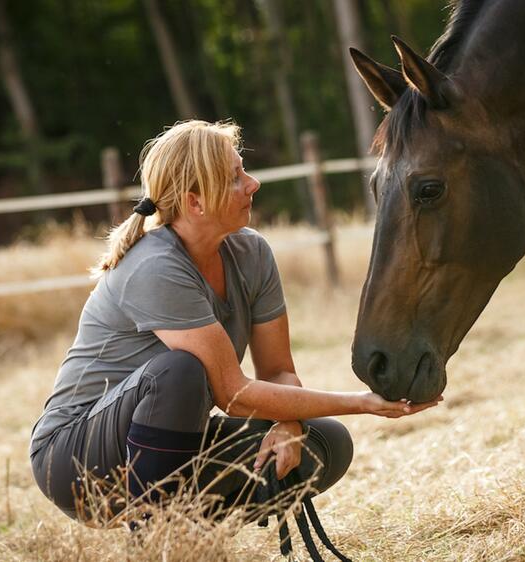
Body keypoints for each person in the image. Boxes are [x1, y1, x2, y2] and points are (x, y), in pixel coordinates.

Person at [29, 120, 439, 524]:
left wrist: (289, 425)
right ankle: (161, 541)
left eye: (243, 169)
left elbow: (278, 370)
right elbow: (234, 395)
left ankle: (183, 524)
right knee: (180, 371)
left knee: (325, 444)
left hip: (165, 448)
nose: (252, 183)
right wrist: (363, 403)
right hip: (74, 459)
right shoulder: (154, 266)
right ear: (195, 202)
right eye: (234, 177)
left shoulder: (252, 254)